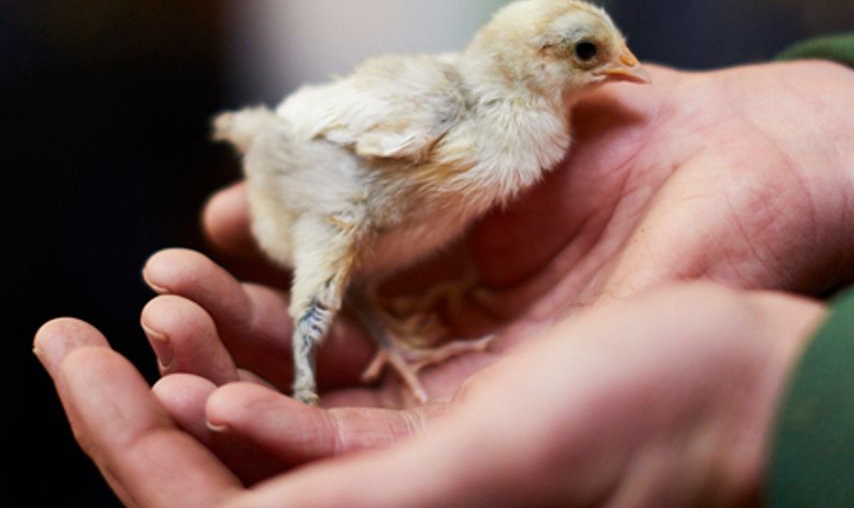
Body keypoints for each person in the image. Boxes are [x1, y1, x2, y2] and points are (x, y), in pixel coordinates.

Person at [35, 52, 854, 506]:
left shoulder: (523, 133)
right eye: (588, 53)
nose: (622, 69)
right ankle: (321, 376)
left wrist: (779, 399)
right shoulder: (456, 121)